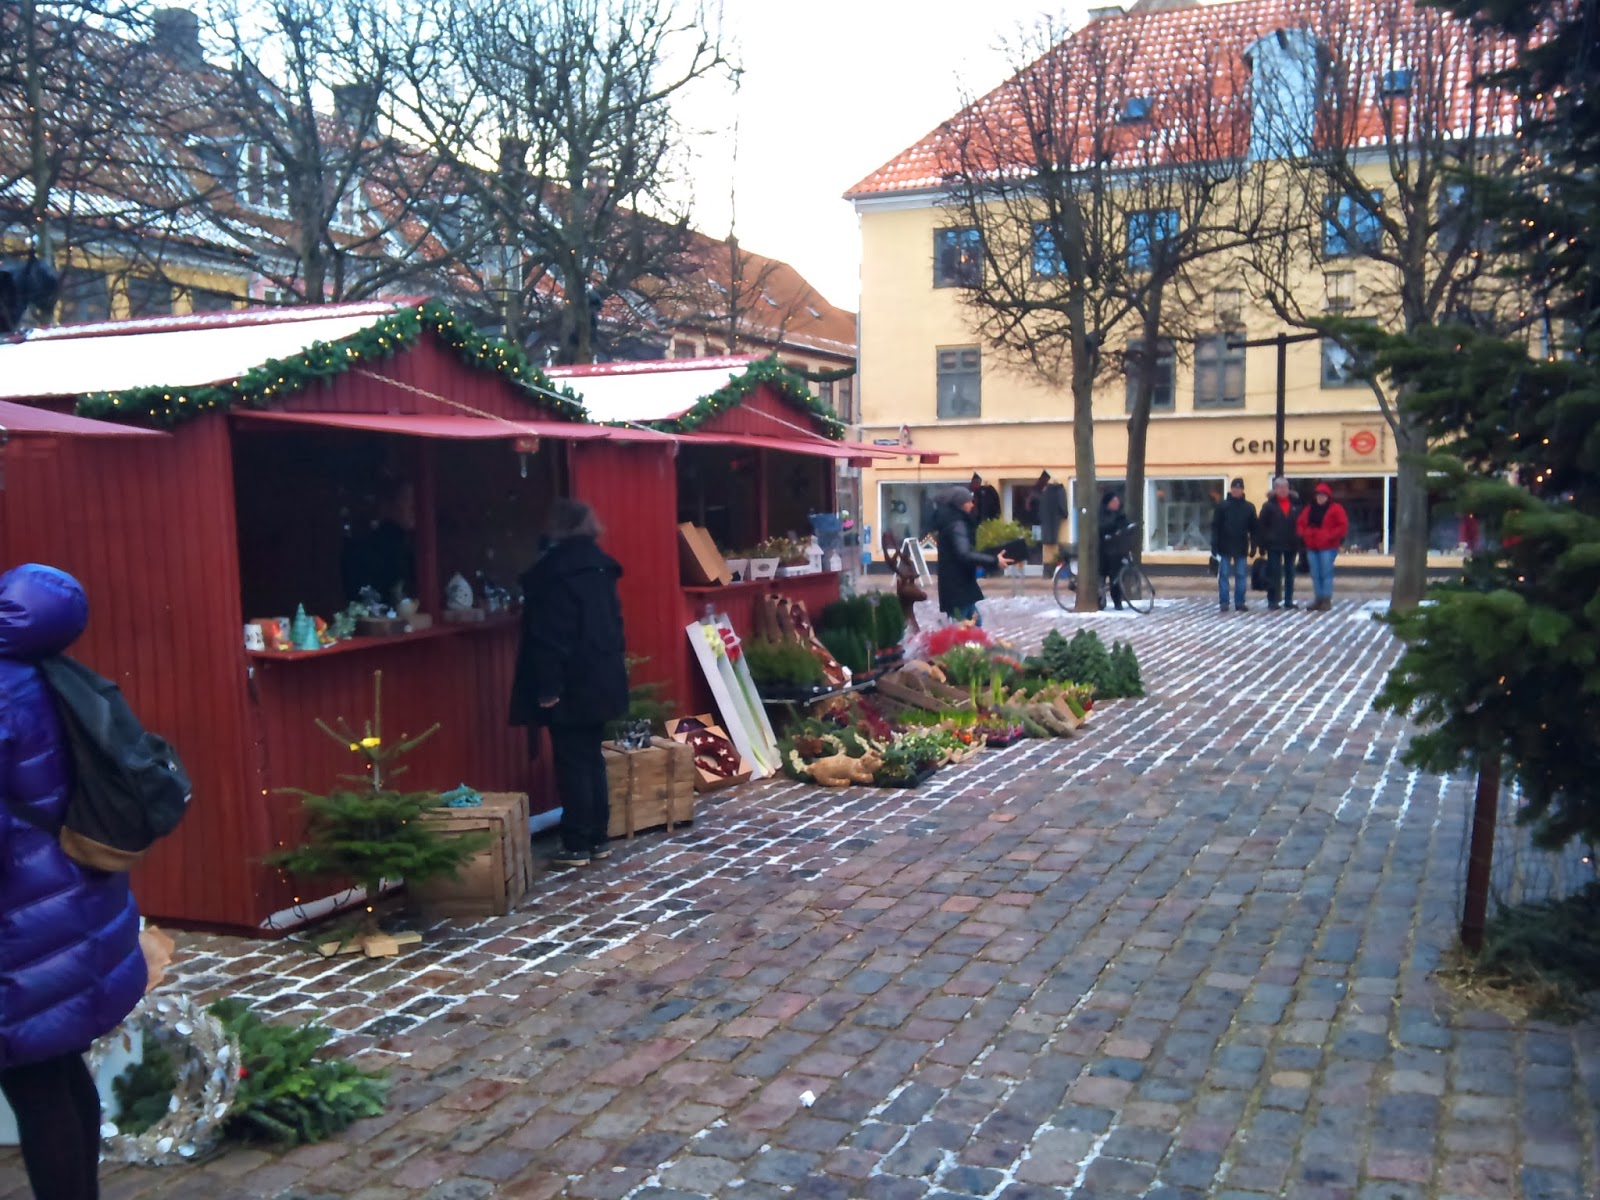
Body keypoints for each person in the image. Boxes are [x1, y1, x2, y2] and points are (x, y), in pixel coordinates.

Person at [0, 564, 147, 1200]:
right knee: (55, 1064)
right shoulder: (50, 672)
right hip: (67, 895)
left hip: (21, 915)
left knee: (32, 1080)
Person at [509, 500, 629, 868]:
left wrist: (548, 687)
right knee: (591, 758)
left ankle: (577, 841)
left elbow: (550, 635)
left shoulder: (554, 573)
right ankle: (597, 837)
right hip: (602, 676)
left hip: (569, 681)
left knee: (571, 760)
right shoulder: (600, 567)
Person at [934, 485, 1011, 624]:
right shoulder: (957, 524)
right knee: (965, 629)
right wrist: (994, 560)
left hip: (959, 586)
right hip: (958, 588)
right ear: (961, 504)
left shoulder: (953, 521)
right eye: (969, 501)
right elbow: (964, 553)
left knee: (974, 624)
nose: (972, 504)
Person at [341, 479, 417, 607]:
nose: (415, 509)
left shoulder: (408, 543)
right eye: (408, 501)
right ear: (388, 505)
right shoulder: (385, 547)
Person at [1296, 482, 1349, 611]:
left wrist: (1328, 535)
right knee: (1315, 574)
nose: (1320, 498)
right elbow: (1300, 524)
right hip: (1312, 547)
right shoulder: (1309, 509)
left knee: (1326, 574)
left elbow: (1342, 526)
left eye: (1323, 496)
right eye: (1318, 496)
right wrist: (1305, 534)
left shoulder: (1336, 509)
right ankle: (1318, 599)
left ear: (1328, 497)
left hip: (1328, 547)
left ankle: (1326, 599)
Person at [1212, 477, 1258, 612]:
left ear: (1242, 490)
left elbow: (1254, 528)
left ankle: (1240, 602)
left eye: (1239, 488)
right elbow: (1215, 526)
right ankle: (1224, 602)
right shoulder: (1222, 506)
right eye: (1234, 488)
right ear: (1231, 489)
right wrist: (1214, 545)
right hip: (1224, 546)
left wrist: (1254, 545)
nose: (1236, 490)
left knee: (1241, 576)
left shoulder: (1249, 507)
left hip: (1241, 545)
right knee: (1224, 576)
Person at [1256, 476, 1302, 611]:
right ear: (1275, 489)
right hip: (1273, 544)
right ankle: (1273, 600)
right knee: (1274, 574)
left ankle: (1288, 600)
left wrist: (1300, 541)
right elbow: (1262, 526)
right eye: (1280, 487)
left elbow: (1300, 524)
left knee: (1290, 573)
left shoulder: (1296, 505)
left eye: (1285, 487)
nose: (1283, 490)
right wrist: (1262, 545)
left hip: (1291, 544)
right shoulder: (1268, 506)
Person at [1097, 492, 1132, 610]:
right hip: (1103, 551)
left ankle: (1117, 602)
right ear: (1109, 503)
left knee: (1115, 578)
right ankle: (1100, 600)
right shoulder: (1101, 514)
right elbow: (1102, 528)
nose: (1117, 504)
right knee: (1101, 577)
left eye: (1117, 501)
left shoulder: (1120, 514)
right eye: (1114, 502)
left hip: (1117, 551)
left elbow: (1125, 526)